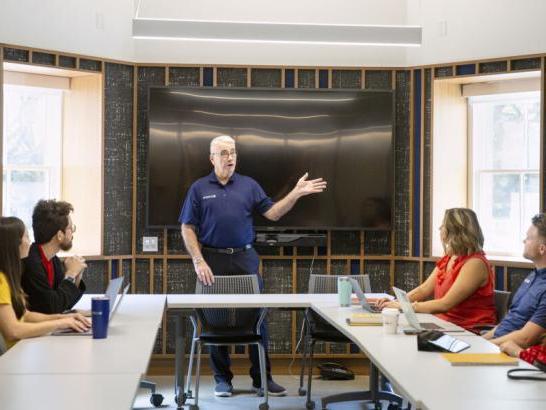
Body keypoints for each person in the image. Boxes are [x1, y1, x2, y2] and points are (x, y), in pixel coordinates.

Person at [180, 135, 327, 397]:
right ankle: (222, 380)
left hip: (245, 258)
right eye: (223, 153)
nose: (230, 157)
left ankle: (262, 379)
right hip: (212, 260)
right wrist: (198, 259)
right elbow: (187, 227)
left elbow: (273, 213)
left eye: (233, 152)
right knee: (215, 319)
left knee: (257, 318)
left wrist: (296, 192)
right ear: (211, 158)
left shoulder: (249, 185)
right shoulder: (199, 188)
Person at [377, 208, 496, 331]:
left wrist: (403, 306)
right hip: (444, 325)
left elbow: (445, 304)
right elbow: (423, 290)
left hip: (468, 330)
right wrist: (396, 302)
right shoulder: (449, 257)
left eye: (443, 225)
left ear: (454, 231)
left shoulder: (475, 263)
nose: (440, 229)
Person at [0, 217, 90, 350]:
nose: (29, 242)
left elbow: (26, 315)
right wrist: (60, 323)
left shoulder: (10, 276)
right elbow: (13, 331)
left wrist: (64, 318)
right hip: (11, 358)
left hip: (20, 350)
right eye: (26, 237)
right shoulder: (3, 280)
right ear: (14, 244)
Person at [483, 213, 546, 347]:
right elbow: (509, 321)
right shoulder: (533, 276)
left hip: (510, 352)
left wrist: (486, 346)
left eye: (528, 238)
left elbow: (525, 338)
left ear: (542, 249)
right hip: (497, 344)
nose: (524, 241)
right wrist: (480, 341)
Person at [21, 200, 87, 314]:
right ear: (60, 235)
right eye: (71, 228)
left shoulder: (53, 259)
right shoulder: (31, 262)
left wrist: (77, 276)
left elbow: (63, 302)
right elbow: (51, 308)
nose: (73, 233)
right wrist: (70, 274)